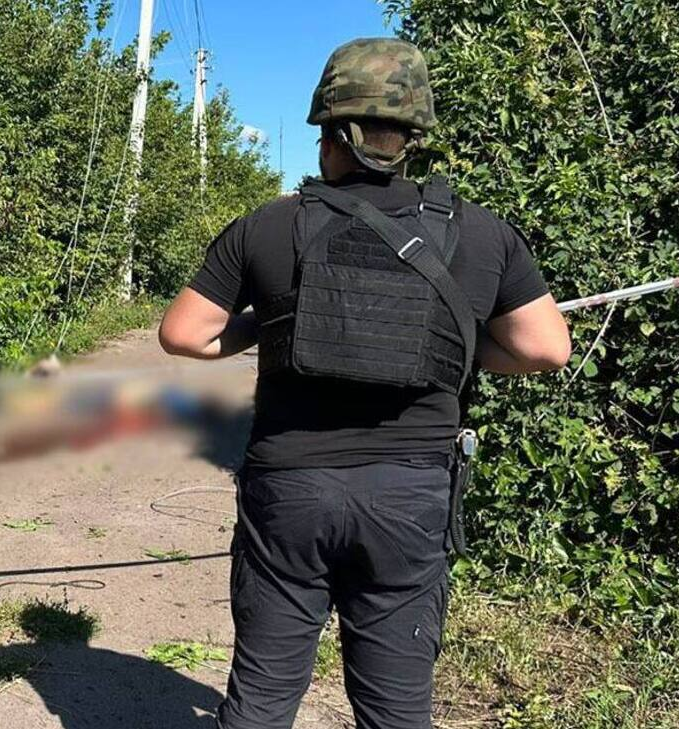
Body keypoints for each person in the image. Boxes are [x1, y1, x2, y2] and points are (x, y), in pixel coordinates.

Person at [157, 37, 571, 729]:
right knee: (396, 709)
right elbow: (546, 348)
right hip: (410, 498)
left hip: (289, 493)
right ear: (413, 137)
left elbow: (185, 333)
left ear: (328, 133)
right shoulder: (481, 234)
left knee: (262, 698)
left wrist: (277, 322)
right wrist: (451, 342)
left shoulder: (269, 226)